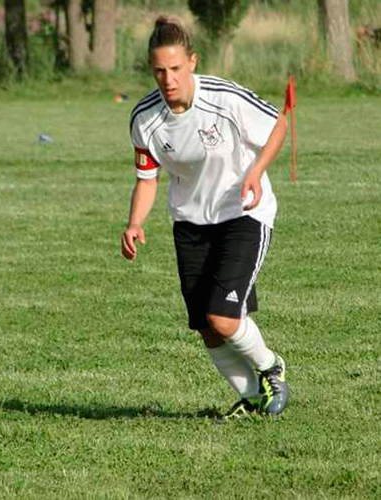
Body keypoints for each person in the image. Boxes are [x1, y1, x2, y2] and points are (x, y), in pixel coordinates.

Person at [121, 16, 289, 421]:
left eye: (175, 68)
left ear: (192, 62)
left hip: (242, 214)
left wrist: (255, 171)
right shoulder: (145, 118)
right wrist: (134, 223)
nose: (167, 78)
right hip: (190, 223)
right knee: (206, 327)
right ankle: (252, 399)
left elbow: (278, 125)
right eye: (159, 70)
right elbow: (147, 179)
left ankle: (271, 370)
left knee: (223, 317)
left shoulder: (224, 99)